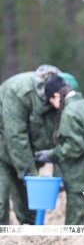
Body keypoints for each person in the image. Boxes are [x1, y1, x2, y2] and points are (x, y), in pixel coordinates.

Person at [34, 75, 84, 225]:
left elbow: (74, 147)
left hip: (78, 179)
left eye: (51, 100)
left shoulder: (69, 112)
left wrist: (50, 155)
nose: (53, 105)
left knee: (75, 226)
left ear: (57, 95)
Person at [0, 64, 61, 225]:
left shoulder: (57, 92)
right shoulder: (17, 91)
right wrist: (32, 176)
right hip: (3, 150)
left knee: (28, 209)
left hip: (27, 155)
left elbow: (58, 135)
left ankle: (30, 235)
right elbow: (16, 137)